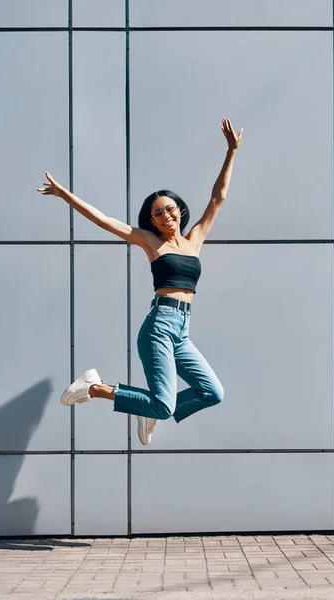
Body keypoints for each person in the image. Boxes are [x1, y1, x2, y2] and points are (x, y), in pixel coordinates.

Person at [37, 117, 242, 445]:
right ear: (152, 221)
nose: (166, 216)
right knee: (164, 403)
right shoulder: (150, 242)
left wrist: (231, 152)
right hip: (160, 325)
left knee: (211, 392)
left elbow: (217, 199)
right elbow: (104, 220)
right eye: (158, 213)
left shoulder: (195, 239)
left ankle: (149, 409)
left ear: (179, 211)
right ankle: (95, 387)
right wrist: (65, 195)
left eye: (170, 209)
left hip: (182, 331)